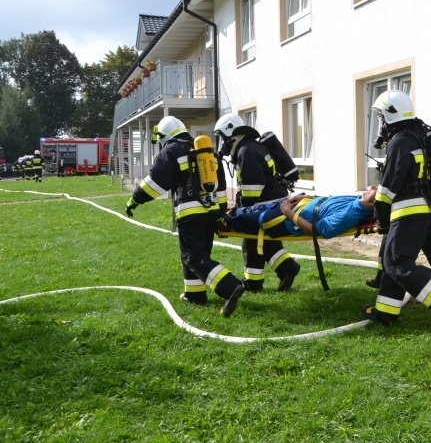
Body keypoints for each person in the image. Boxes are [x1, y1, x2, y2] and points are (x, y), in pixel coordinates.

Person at [361, 90, 431, 332]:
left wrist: (382, 220)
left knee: (397, 261)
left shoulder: (400, 141)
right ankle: (386, 313)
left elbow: (388, 188)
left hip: (409, 211)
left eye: (381, 117)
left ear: (390, 115)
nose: (380, 123)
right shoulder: (423, 133)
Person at [124, 116, 245, 317]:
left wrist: (134, 200)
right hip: (211, 213)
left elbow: (155, 183)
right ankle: (194, 295)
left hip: (190, 213)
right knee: (197, 254)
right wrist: (219, 214)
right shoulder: (207, 153)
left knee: (193, 256)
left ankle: (229, 286)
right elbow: (221, 188)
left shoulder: (171, 150)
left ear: (164, 136)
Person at [213, 113, 302, 293]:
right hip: (272, 201)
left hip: (268, 203)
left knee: (251, 239)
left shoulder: (247, 151)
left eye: (222, 138)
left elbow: (252, 190)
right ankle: (287, 268)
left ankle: (253, 283)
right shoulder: (248, 147)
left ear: (231, 133)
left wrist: (240, 212)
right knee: (265, 241)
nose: (222, 143)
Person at [223, 188, 377, 238]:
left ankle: (223, 222)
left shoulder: (350, 215)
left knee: (239, 220)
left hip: (284, 219)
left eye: (374, 190)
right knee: (243, 210)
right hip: (296, 205)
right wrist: (302, 197)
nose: (372, 187)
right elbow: (326, 200)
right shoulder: (357, 198)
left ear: (373, 202)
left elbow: (315, 230)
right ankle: (233, 212)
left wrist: (287, 211)